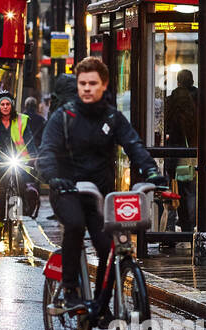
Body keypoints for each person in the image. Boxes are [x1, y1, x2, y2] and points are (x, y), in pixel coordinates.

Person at [40, 57, 161, 313]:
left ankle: (100, 301)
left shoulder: (112, 117)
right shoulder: (64, 116)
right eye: (82, 83)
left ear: (104, 84)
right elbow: (47, 150)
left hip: (99, 194)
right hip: (68, 190)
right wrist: (53, 177)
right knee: (74, 226)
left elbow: (133, 144)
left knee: (108, 245)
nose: (86, 88)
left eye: (92, 83)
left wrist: (150, 170)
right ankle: (71, 290)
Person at [0, 90, 38, 243]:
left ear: (12, 106)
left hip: (18, 160)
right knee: (0, 193)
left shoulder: (22, 120)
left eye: (8, 104)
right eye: (2, 104)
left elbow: (29, 140)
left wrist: (33, 156)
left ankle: (20, 214)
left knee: (21, 187)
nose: (5, 107)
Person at [164, 69, 198, 231]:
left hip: (171, 151)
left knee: (173, 188)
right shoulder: (196, 103)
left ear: (178, 82)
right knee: (190, 189)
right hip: (188, 151)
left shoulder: (171, 102)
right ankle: (189, 225)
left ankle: (172, 224)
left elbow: (166, 126)